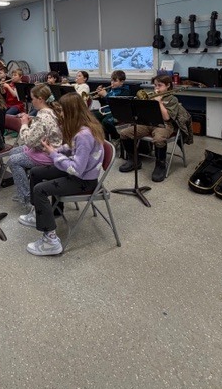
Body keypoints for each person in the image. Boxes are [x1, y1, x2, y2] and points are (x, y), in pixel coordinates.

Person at [19, 92, 105, 256]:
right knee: (36, 173)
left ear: (72, 111)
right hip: (80, 174)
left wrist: (53, 154)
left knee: (40, 189)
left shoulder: (84, 135)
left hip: (83, 181)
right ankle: (40, 212)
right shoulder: (82, 127)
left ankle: (51, 241)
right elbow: (70, 147)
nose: (61, 114)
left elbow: (76, 169)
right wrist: (56, 150)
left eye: (63, 111)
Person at [119, 74, 193, 182]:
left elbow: (167, 117)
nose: (156, 88)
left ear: (168, 85)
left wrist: (159, 102)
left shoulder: (172, 99)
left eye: (160, 85)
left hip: (164, 125)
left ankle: (160, 166)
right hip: (148, 123)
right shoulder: (151, 96)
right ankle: (134, 161)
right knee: (124, 133)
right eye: (155, 85)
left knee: (159, 139)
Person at [8, 84, 63, 206]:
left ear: (40, 99)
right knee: (13, 151)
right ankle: (24, 187)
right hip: (47, 147)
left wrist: (24, 124)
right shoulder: (52, 110)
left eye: (32, 98)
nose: (31, 101)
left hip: (48, 152)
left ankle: (28, 198)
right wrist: (32, 122)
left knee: (13, 161)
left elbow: (28, 141)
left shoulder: (42, 117)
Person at [92, 70, 131, 140]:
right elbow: (105, 103)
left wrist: (106, 95)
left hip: (118, 113)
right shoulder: (110, 89)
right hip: (107, 110)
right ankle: (104, 139)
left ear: (122, 82)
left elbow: (116, 104)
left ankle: (116, 137)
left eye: (115, 81)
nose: (112, 83)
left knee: (106, 122)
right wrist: (100, 96)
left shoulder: (125, 91)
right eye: (111, 80)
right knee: (91, 116)